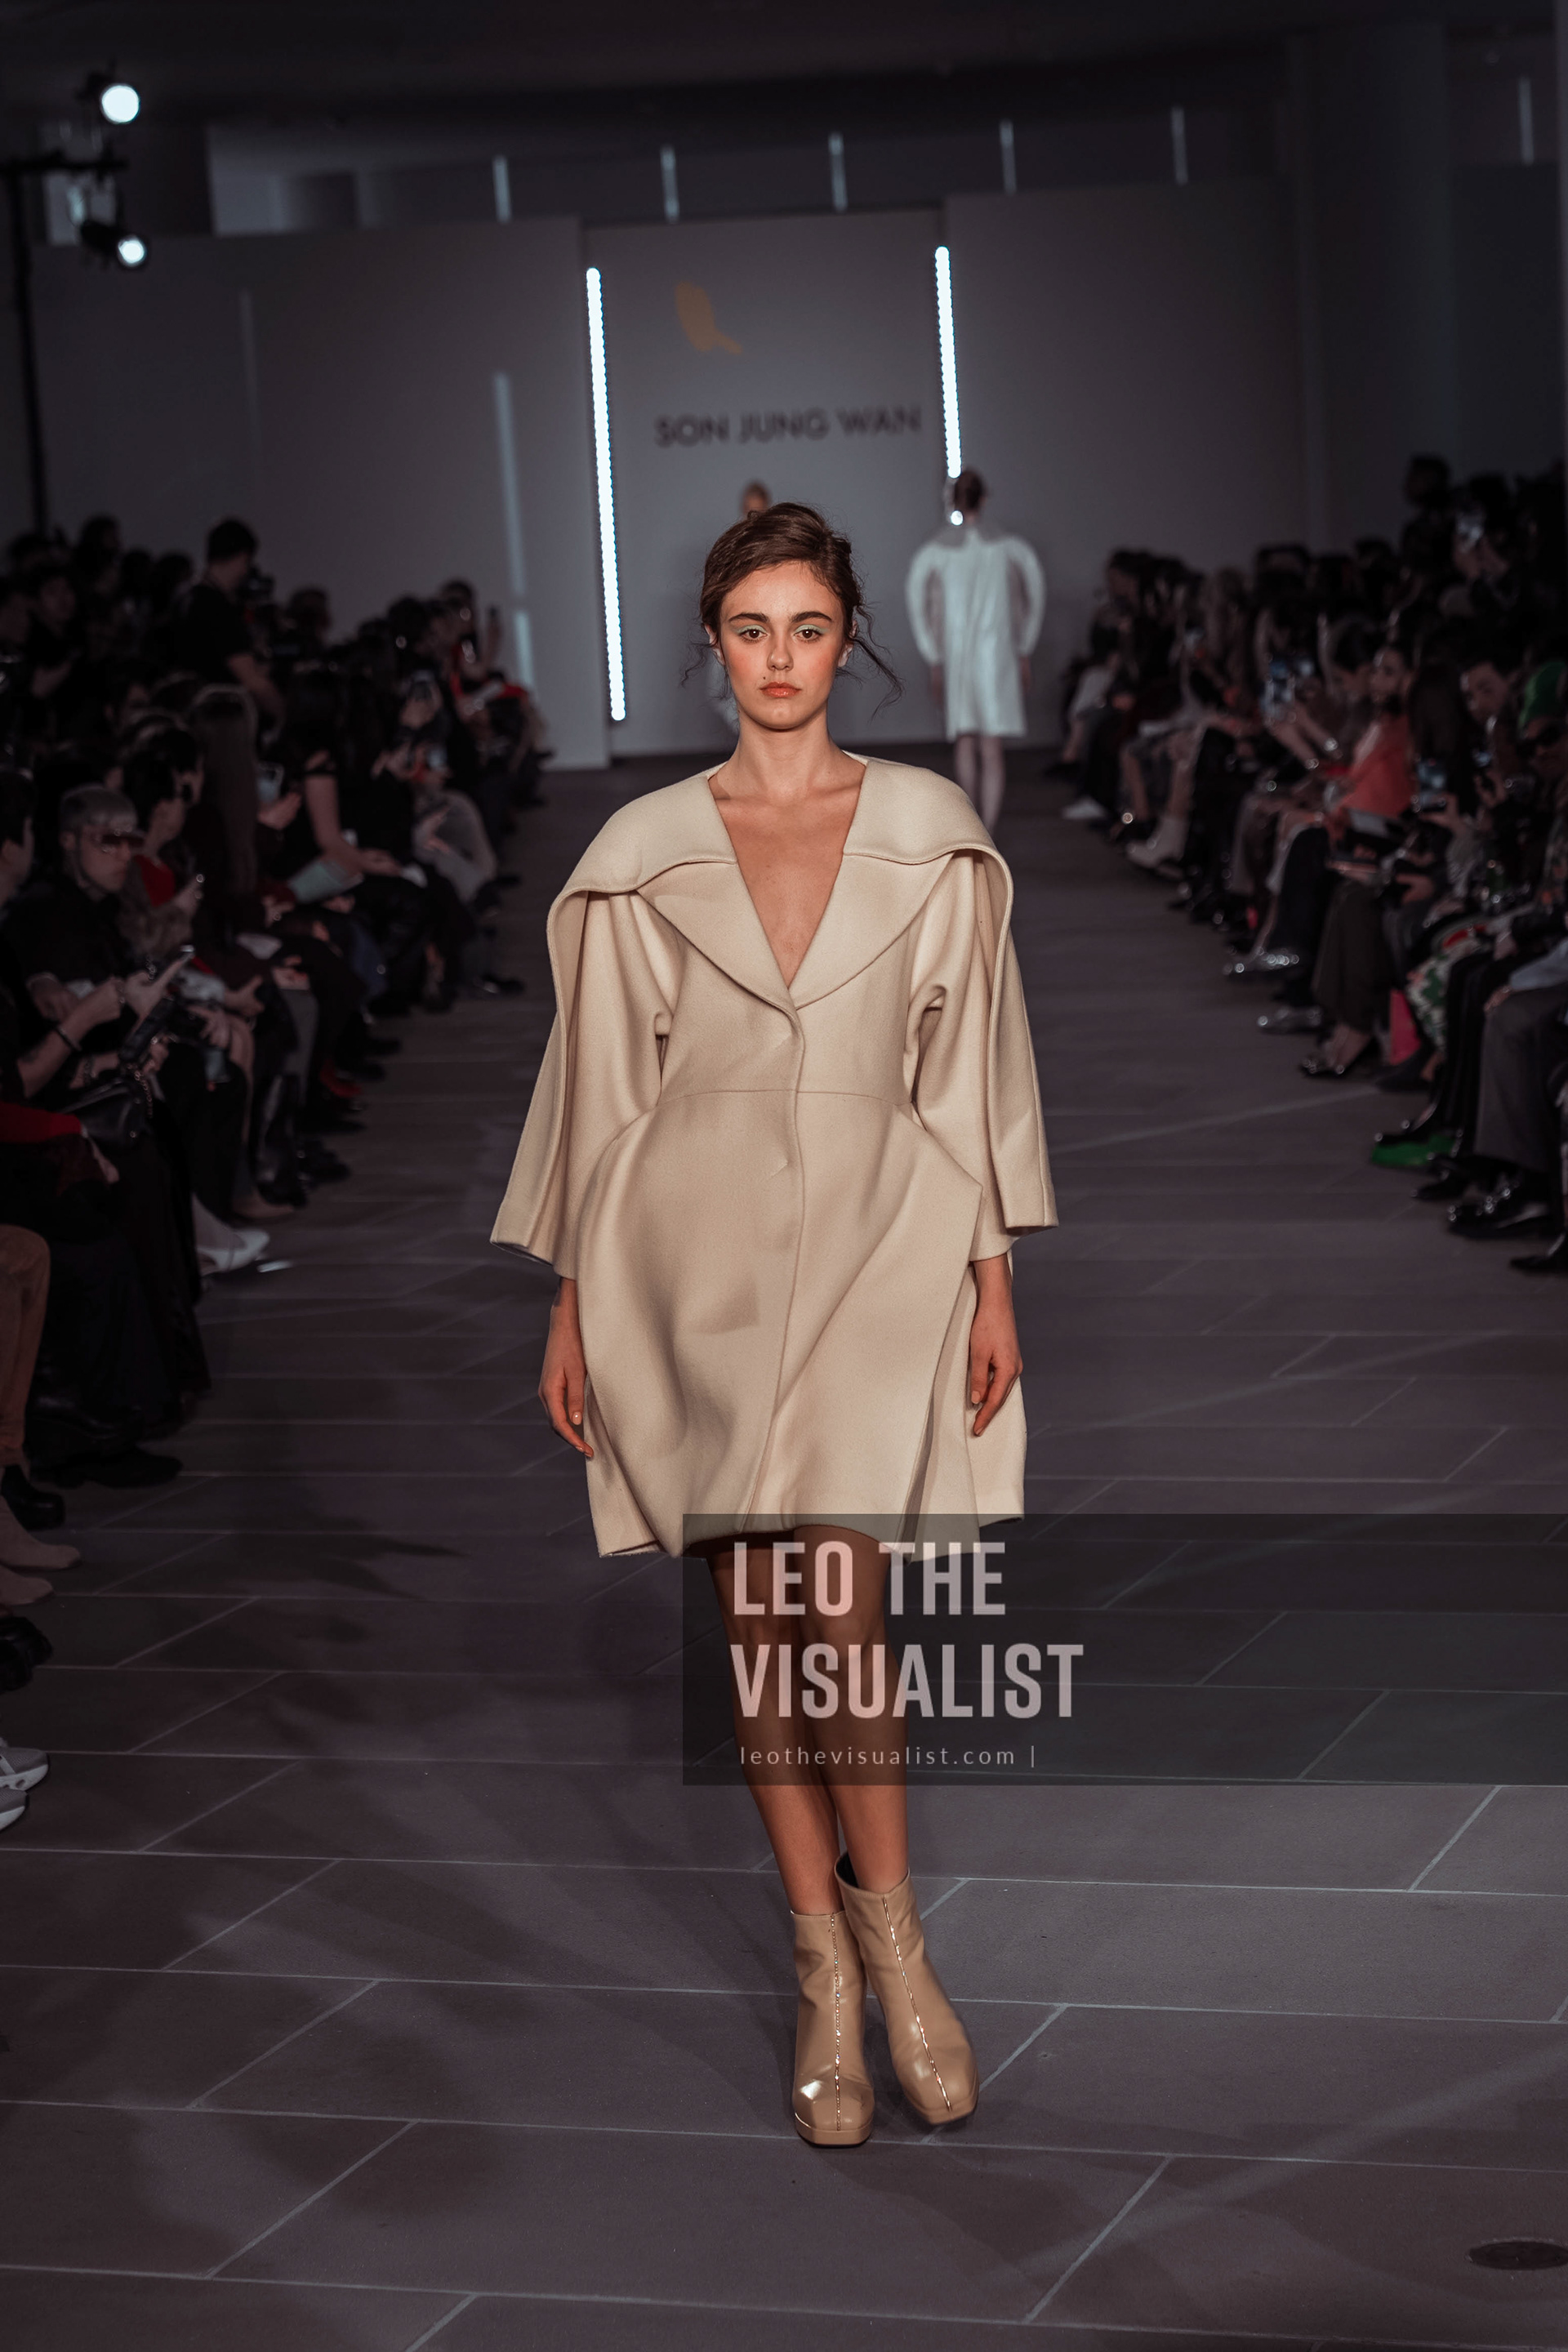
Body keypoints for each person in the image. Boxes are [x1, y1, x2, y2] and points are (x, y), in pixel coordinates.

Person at [494, 502, 1054, 2149]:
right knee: (758, 1634)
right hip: (701, 1262)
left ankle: (901, 1953)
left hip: (887, 1242)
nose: (782, 659)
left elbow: (973, 1066)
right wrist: (574, 1303)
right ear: (714, 645)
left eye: (809, 629)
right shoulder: (644, 849)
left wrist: (993, 1274)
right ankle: (822, 1966)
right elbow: (601, 1093)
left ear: (850, 638)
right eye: (753, 631)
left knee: (844, 1619)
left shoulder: (931, 831)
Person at [906, 467, 1045, 833]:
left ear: (953, 501)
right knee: (991, 745)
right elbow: (1035, 591)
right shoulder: (1009, 549)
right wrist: (1024, 645)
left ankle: (973, 829)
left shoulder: (936, 552)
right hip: (998, 655)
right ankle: (989, 829)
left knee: (965, 740)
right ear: (984, 498)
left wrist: (933, 653)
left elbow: (916, 600)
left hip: (957, 658)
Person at [172, 520, 284, 729]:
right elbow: (250, 678)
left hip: (186, 714)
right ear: (243, 557)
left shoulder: (184, 599)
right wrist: (284, 716)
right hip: (217, 722)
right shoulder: (216, 608)